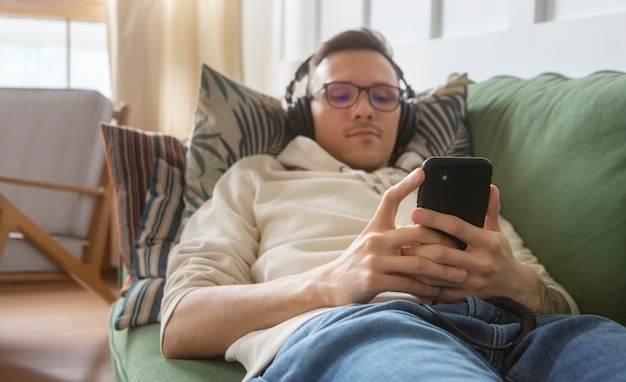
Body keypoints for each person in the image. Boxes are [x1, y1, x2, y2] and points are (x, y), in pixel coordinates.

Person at [160, 28, 626, 381]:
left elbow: (561, 305)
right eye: (339, 94)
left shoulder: (446, 185)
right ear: (304, 111)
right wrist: (327, 283)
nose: (364, 110)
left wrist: (519, 285)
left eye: (383, 96)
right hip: (362, 329)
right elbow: (181, 322)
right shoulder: (255, 176)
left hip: (527, 334)